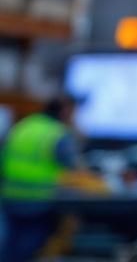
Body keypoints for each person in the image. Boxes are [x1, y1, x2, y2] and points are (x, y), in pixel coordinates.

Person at [1, 95, 80, 262]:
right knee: (30, 249)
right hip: (39, 199)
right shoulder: (58, 133)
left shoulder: (23, 125)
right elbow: (75, 168)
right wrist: (77, 131)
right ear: (66, 111)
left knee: (10, 246)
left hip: (10, 195)